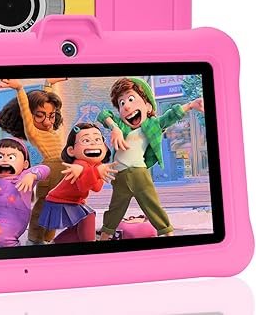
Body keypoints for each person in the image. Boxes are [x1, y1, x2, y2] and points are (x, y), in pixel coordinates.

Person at [97, 77, 204, 239]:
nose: (126, 106)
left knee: (152, 205)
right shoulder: (120, 125)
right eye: (121, 103)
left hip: (139, 173)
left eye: (131, 99)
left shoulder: (152, 125)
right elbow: (103, 114)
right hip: (119, 177)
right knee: (115, 209)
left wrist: (190, 105)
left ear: (147, 106)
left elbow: (170, 116)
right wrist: (114, 128)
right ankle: (104, 237)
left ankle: (167, 233)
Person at [0, 78, 67, 245]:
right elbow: (26, 110)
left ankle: (48, 237)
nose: (47, 121)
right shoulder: (33, 132)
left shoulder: (51, 130)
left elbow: (47, 102)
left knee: (57, 206)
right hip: (49, 171)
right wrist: (20, 89)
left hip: (62, 171)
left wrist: (49, 84)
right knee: (43, 205)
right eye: (40, 116)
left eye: (51, 116)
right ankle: (34, 239)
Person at [39, 123, 117, 243]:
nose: (93, 143)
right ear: (71, 151)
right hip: (59, 200)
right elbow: (83, 186)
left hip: (72, 201)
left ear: (105, 147)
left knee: (78, 225)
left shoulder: (95, 166)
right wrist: (96, 172)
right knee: (88, 216)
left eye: (98, 139)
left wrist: (99, 173)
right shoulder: (79, 164)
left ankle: (56, 243)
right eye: (86, 140)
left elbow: (96, 188)